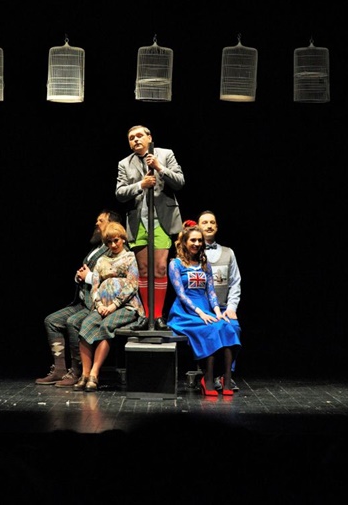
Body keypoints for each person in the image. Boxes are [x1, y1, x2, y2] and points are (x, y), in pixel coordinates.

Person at [35, 209, 124, 387]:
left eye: (101, 220)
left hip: (98, 304)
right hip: (83, 301)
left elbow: (114, 279)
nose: (96, 224)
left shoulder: (115, 249)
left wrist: (89, 277)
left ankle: (78, 371)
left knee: (73, 322)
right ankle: (60, 369)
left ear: (112, 224)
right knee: (52, 321)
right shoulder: (97, 248)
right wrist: (79, 277)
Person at [115, 125, 185, 331]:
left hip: (161, 220)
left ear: (149, 138)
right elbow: (119, 193)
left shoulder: (166, 154)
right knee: (144, 269)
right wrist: (140, 185)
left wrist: (159, 167)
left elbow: (180, 182)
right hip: (138, 221)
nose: (135, 140)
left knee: (160, 267)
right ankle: (147, 315)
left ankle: (158, 315)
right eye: (131, 138)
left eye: (139, 136)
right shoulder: (124, 163)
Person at [166, 221, 241, 396]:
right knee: (211, 328)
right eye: (193, 240)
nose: (197, 243)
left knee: (228, 326)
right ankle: (207, 380)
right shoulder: (175, 264)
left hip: (206, 307)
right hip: (185, 311)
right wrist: (199, 313)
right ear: (184, 242)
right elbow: (181, 294)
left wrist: (218, 312)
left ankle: (227, 380)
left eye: (199, 240)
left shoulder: (205, 264)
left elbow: (211, 292)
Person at [74, 221, 146, 392]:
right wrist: (99, 304)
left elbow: (132, 285)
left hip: (126, 306)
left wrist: (114, 305)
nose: (113, 245)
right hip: (103, 307)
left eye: (116, 240)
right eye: (109, 242)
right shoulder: (101, 260)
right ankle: (85, 374)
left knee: (106, 326)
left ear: (123, 239)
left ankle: (94, 374)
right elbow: (95, 286)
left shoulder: (130, 257)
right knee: (85, 326)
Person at [197, 210, 242, 392]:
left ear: (216, 226)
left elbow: (235, 282)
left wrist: (231, 307)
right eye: (204, 222)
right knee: (212, 331)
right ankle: (210, 375)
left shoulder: (228, 253)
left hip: (223, 307)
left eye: (212, 222)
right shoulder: (194, 253)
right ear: (198, 227)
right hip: (203, 309)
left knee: (233, 329)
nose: (209, 226)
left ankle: (226, 375)